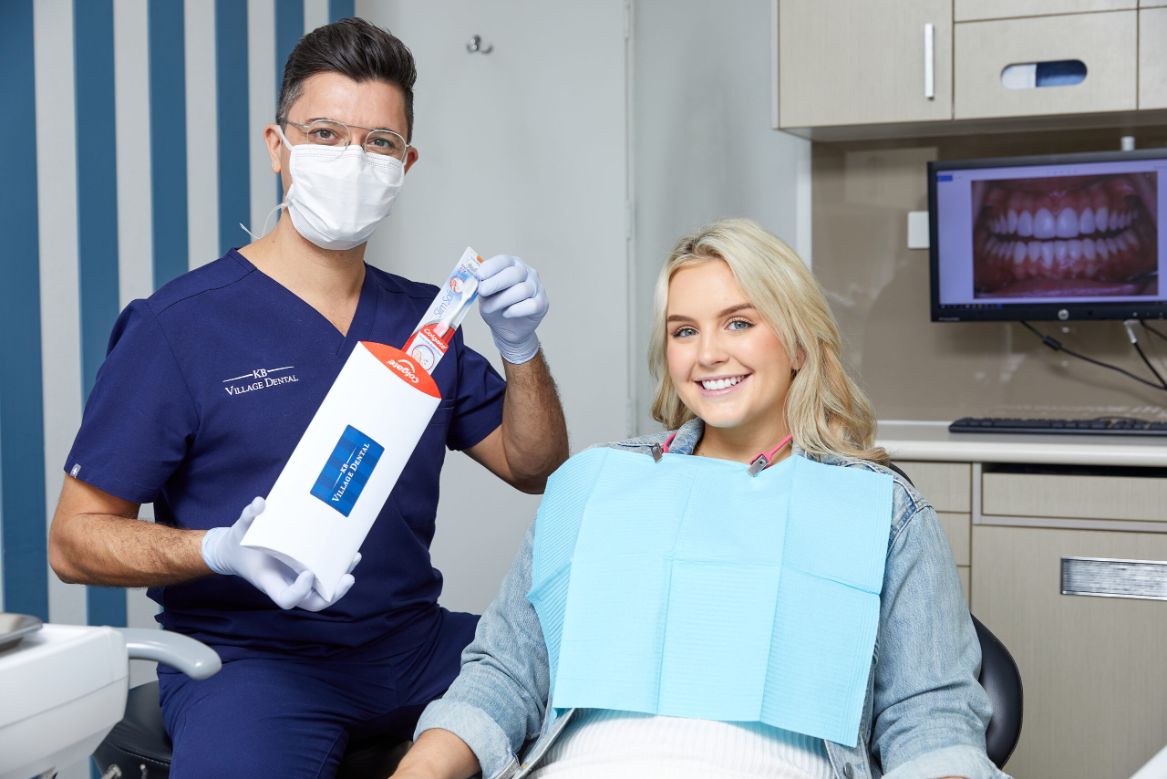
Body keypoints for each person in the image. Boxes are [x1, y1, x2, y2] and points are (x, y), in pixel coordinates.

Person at [47, 17, 568, 779]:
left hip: (415, 647)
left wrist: (521, 349)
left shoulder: (427, 325)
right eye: (325, 132)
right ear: (277, 146)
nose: (352, 160)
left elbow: (533, 464)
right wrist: (218, 548)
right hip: (257, 664)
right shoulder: (178, 327)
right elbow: (74, 540)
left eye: (379, 143)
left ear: (406, 162)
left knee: (602, 699)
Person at [391, 218, 1009, 779]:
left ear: (797, 343)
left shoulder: (883, 512)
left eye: (739, 322)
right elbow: (504, 675)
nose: (709, 353)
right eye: (685, 331)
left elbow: (930, 719)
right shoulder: (595, 485)